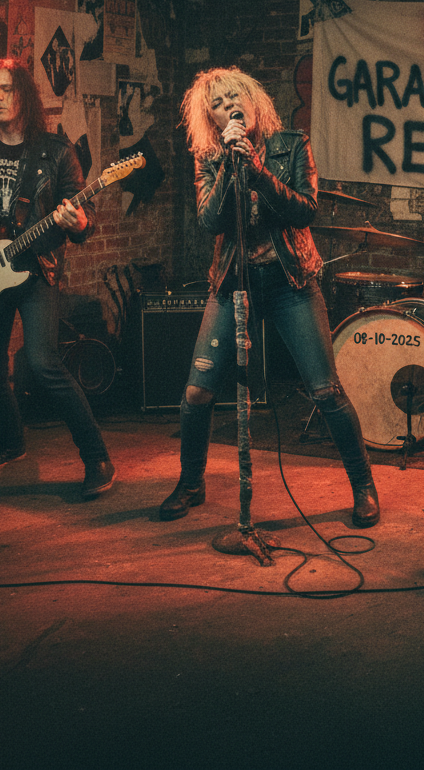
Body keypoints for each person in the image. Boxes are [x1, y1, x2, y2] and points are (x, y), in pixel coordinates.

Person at [158, 67, 379, 527]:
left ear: (254, 100)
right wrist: (230, 164)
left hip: (289, 282)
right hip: (232, 282)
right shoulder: (209, 156)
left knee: (325, 389)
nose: (228, 106)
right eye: (217, 105)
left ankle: (363, 486)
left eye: (234, 96)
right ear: (212, 119)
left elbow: (306, 210)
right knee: (197, 392)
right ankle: (190, 482)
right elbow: (210, 222)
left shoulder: (291, 145)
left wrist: (258, 175)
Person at [0, 57, 116, 499]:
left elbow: (85, 221)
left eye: (8, 90)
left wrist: (76, 222)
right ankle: (11, 441)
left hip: (37, 269)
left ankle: (97, 457)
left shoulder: (57, 152)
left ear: (25, 95)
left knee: (42, 362)